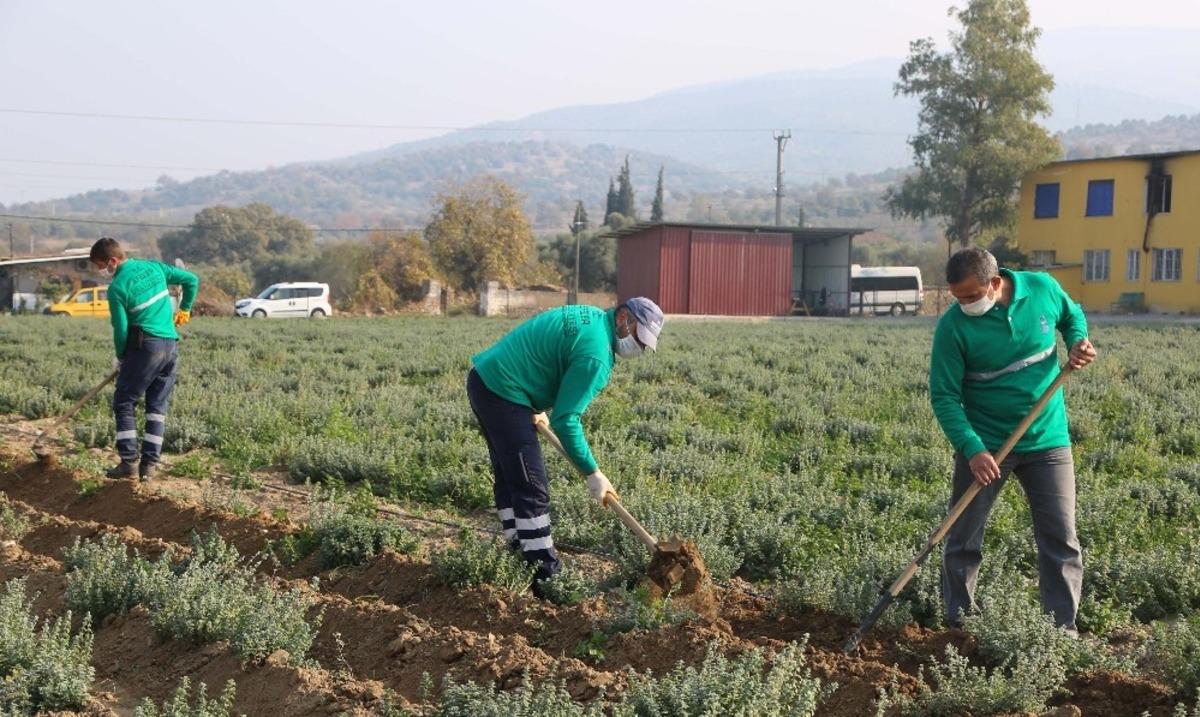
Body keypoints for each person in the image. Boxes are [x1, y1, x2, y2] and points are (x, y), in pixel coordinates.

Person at [931, 247, 1096, 633]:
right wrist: (973, 449)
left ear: (994, 283)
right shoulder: (953, 327)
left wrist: (1077, 342)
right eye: (958, 297)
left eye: (972, 296)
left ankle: (1062, 632)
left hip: (1047, 441)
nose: (965, 304)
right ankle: (959, 624)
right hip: (986, 446)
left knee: (1060, 538)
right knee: (964, 536)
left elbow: (1072, 317)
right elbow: (943, 396)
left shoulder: (1041, 289)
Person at [467, 298, 665, 589]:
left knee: (511, 478)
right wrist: (592, 472)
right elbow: (567, 419)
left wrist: (534, 399)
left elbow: (547, 350)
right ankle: (545, 577)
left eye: (645, 344)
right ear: (624, 317)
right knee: (531, 487)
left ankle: (516, 551)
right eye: (639, 337)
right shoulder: (596, 356)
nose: (639, 347)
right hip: (505, 393)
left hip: (487, 380)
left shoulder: (592, 317)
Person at [89, 237, 199, 481]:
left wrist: (121, 357)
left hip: (146, 347)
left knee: (124, 401)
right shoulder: (154, 267)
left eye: (101, 265)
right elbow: (191, 279)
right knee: (156, 407)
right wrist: (185, 308)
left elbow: (120, 328)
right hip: (170, 345)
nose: (101, 271)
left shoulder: (117, 288)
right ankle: (149, 467)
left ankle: (128, 462)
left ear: (113, 261)